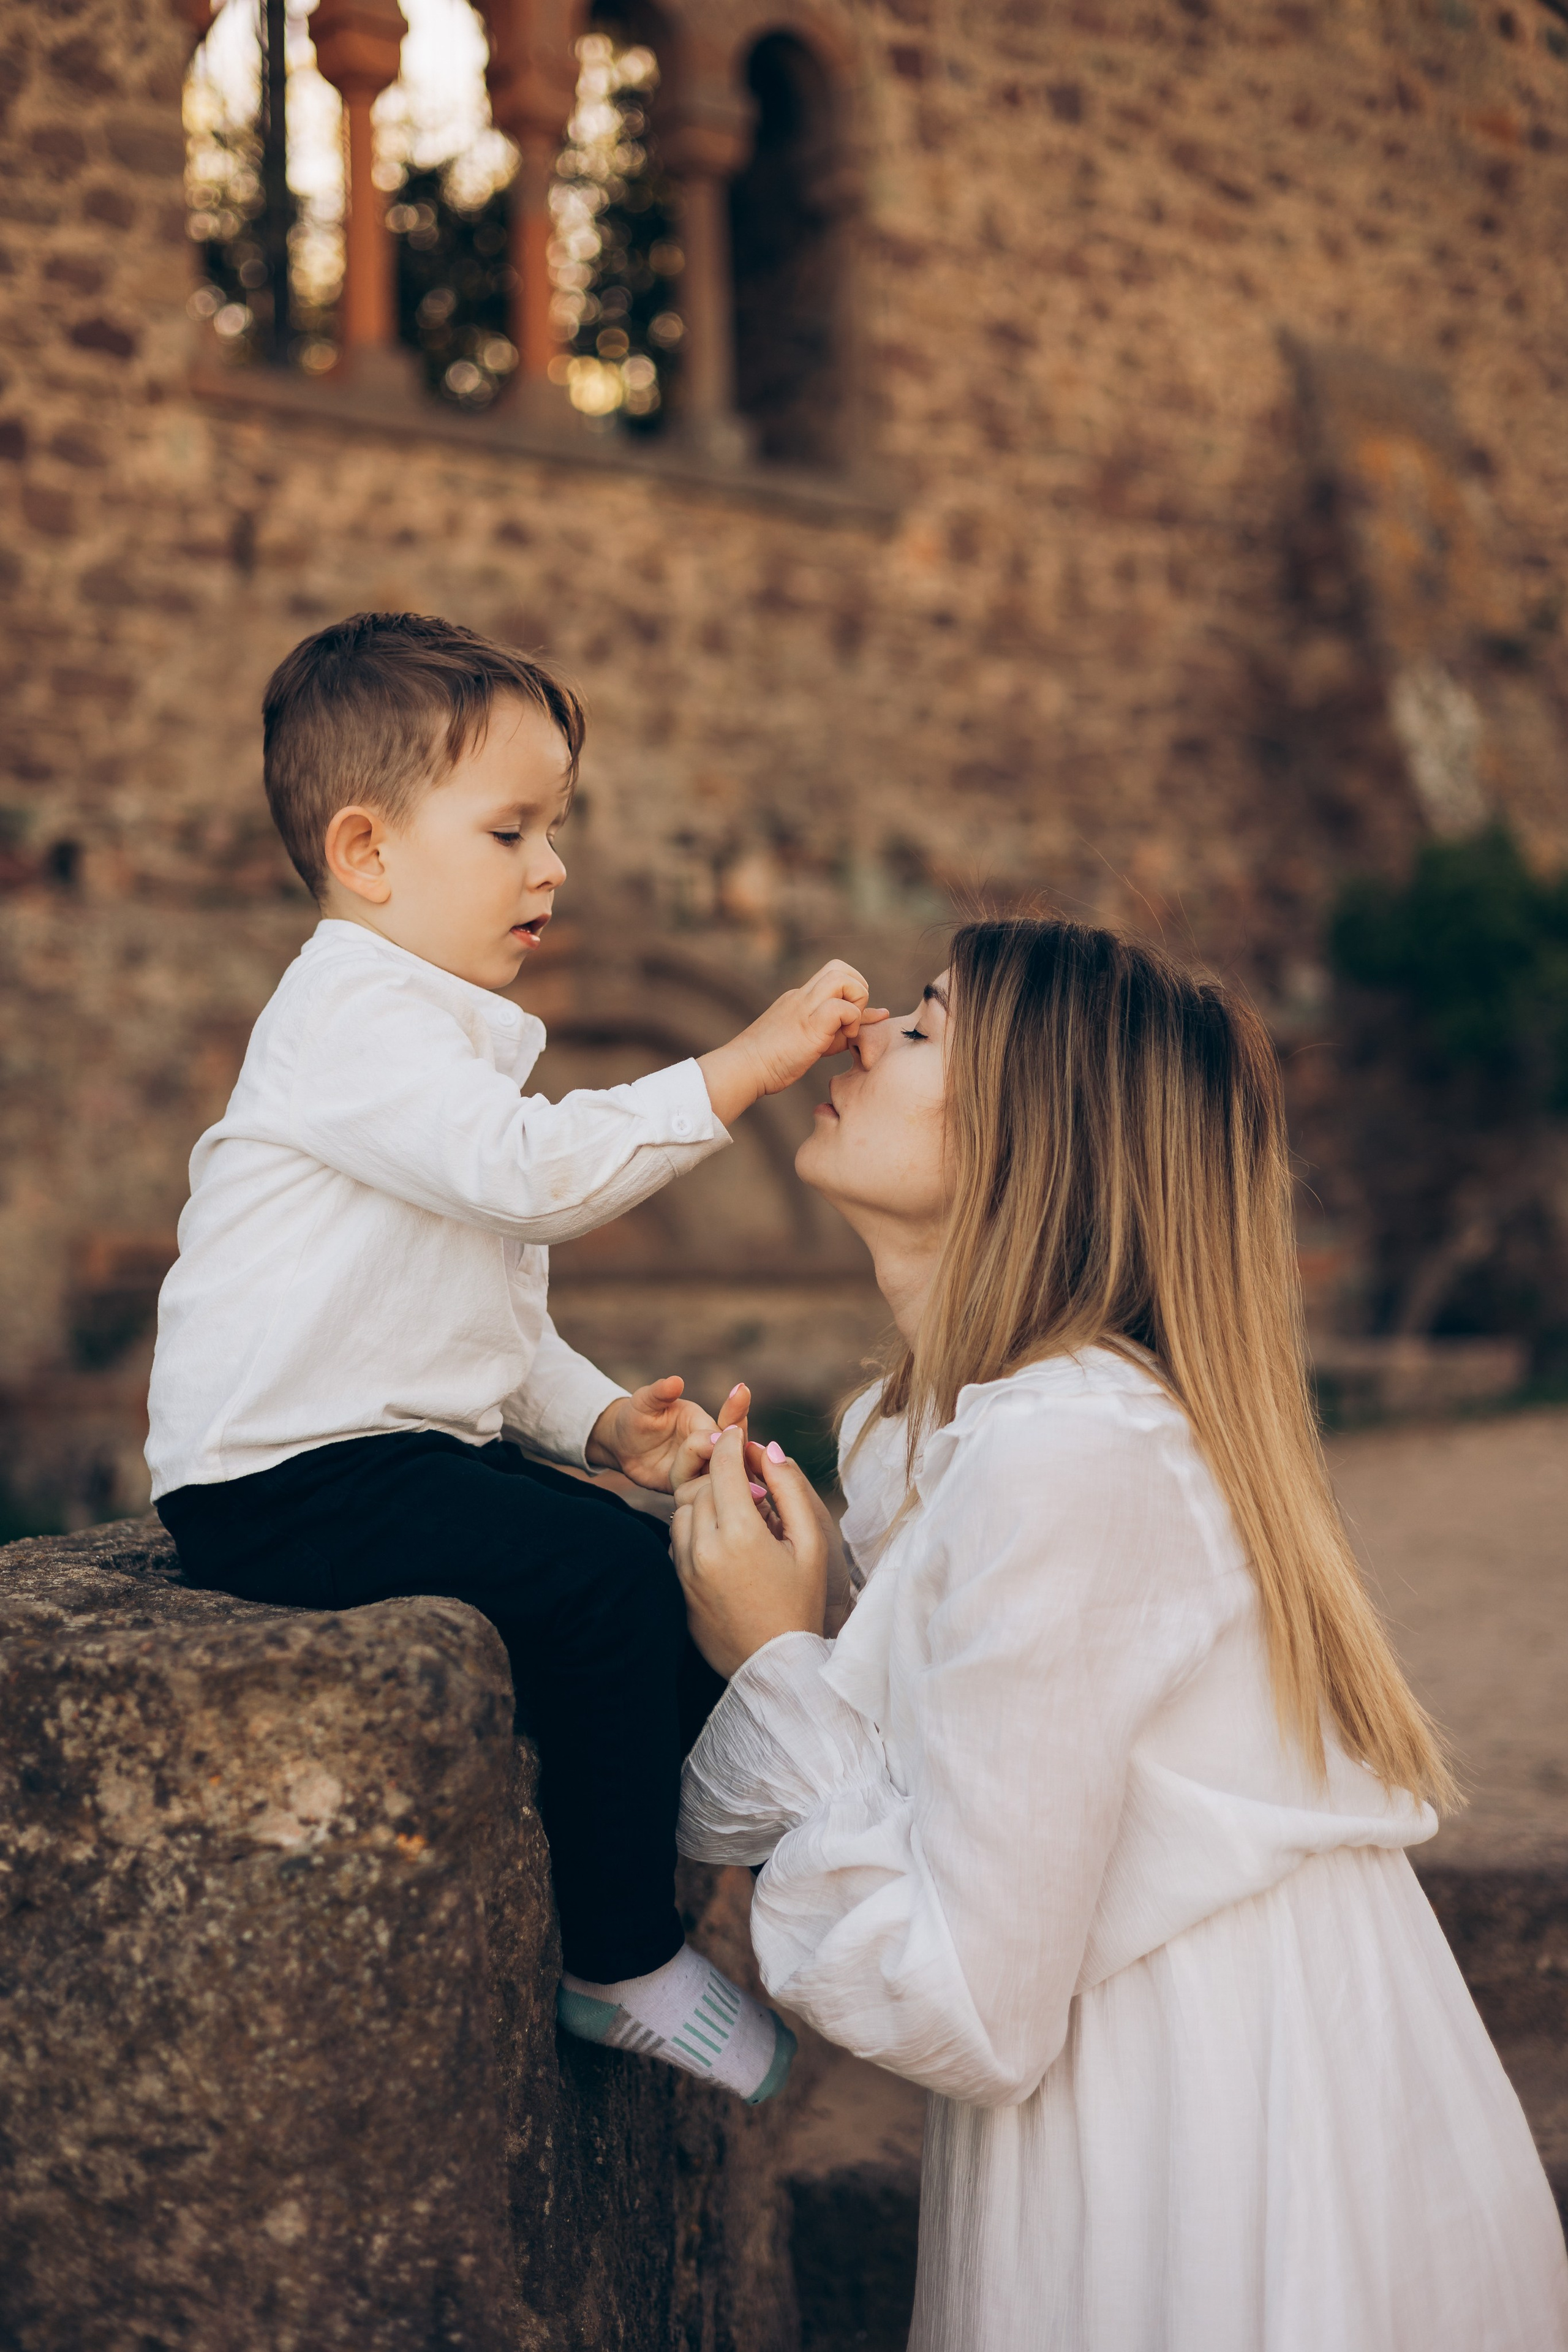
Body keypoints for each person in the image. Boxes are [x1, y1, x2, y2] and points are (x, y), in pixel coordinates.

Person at [673, 916, 1568, 2348]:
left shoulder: (1070, 1451)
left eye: (921, 1023)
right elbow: (853, 1804)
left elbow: (965, 2002)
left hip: (1216, 2142)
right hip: (1154, 2100)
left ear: (1030, 1137)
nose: (860, 1034)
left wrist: (778, 1657)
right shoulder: (950, 1440)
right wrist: (772, 1601)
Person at [147, 609, 887, 2108]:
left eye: (555, 827)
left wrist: (603, 1421)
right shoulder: (349, 1015)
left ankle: (683, 1868)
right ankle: (618, 1963)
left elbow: (489, 1314)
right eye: (510, 830)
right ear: (366, 853)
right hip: (281, 1476)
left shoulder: (440, 1030)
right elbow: (534, 1179)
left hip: (389, 1456)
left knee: (649, 1550)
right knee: (606, 1587)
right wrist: (736, 1068)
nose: (551, 866)